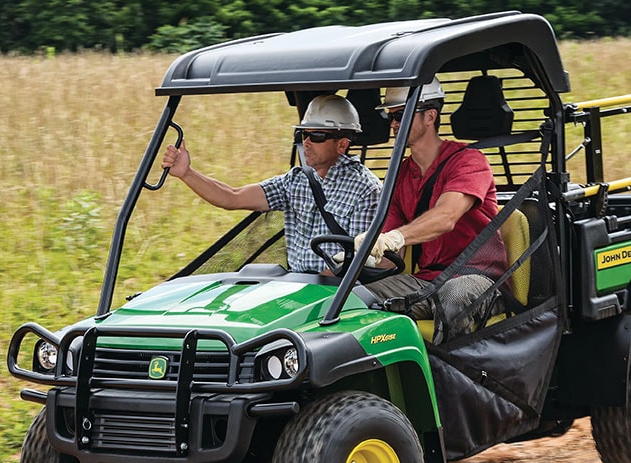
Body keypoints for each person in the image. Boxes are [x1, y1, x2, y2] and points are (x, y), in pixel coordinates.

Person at [359, 78, 508, 341]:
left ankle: (453, 376)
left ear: (430, 116)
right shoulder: (399, 175)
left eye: (400, 115)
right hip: (426, 282)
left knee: (453, 295)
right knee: (352, 300)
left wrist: (395, 237)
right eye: (390, 116)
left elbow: (446, 217)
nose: (393, 124)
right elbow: (389, 255)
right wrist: (360, 256)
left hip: (478, 279)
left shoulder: (469, 161)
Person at [161, 94, 381, 273]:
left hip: (338, 291)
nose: (306, 143)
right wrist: (187, 173)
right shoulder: (296, 180)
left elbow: (356, 261)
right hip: (295, 284)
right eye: (304, 134)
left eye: (317, 136)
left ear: (342, 144)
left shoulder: (365, 189)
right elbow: (232, 197)